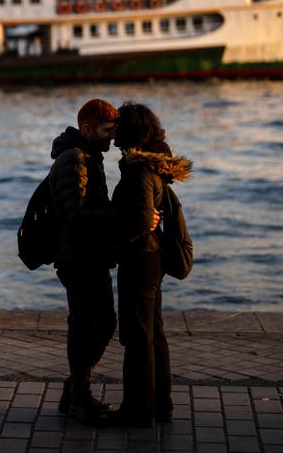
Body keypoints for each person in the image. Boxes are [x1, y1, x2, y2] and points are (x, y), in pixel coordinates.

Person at [109, 101, 191, 427]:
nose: (113, 131)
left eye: (118, 126)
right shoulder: (151, 165)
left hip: (140, 258)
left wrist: (115, 238)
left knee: (138, 336)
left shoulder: (139, 168)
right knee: (153, 332)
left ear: (130, 131)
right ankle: (161, 405)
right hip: (151, 257)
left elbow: (141, 220)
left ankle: (138, 410)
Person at [45, 98, 120, 426]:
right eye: (106, 131)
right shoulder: (74, 158)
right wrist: (123, 214)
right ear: (87, 128)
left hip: (90, 254)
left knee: (101, 323)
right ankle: (78, 398)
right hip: (77, 257)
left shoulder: (91, 155)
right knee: (86, 324)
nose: (111, 138)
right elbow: (77, 214)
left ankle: (75, 393)